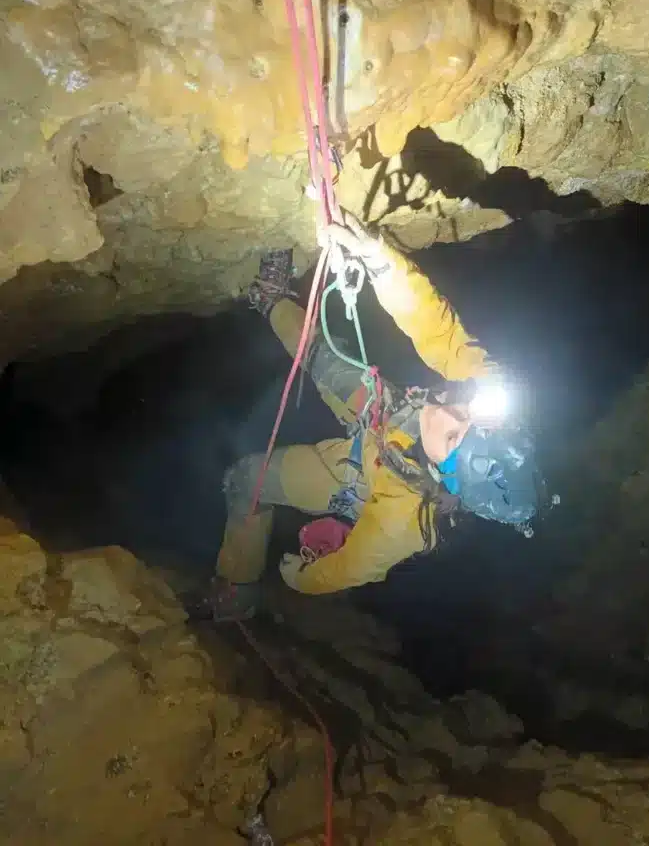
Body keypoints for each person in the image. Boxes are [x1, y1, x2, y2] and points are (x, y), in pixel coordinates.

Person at [191, 211, 543, 622]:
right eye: (470, 415)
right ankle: (270, 297)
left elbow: (352, 567)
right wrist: (382, 264)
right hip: (386, 415)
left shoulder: (403, 519)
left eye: (451, 439)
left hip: (359, 473)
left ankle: (236, 591)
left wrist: (301, 576)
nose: (450, 412)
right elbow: (438, 331)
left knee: (247, 481)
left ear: (443, 473)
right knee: (324, 357)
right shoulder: (489, 391)